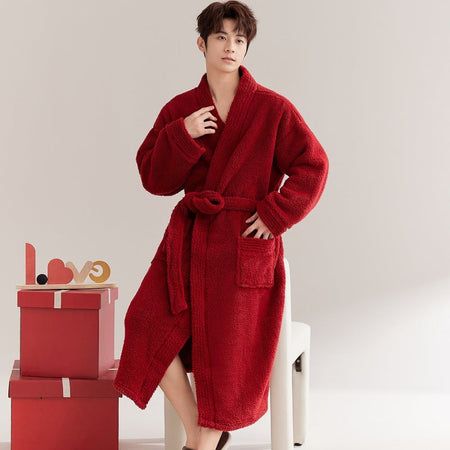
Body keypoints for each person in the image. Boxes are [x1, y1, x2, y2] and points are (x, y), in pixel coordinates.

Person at [113, 1, 329, 450]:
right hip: (189, 245)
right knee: (144, 322)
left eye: (239, 39)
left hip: (242, 249)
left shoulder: (272, 109)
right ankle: (202, 431)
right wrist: (182, 134)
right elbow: (153, 178)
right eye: (220, 37)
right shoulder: (181, 109)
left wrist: (274, 214)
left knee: (228, 348)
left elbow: (314, 165)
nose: (230, 47)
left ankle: (204, 439)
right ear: (202, 43)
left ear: (246, 47)